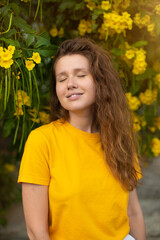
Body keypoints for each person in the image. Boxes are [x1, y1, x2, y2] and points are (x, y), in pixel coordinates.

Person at [18, 37, 146, 240]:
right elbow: (36, 232)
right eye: (62, 79)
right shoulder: (41, 141)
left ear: (100, 81)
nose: (70, 84)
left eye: (80, 75)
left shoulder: (121, 138)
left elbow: (133, 212)